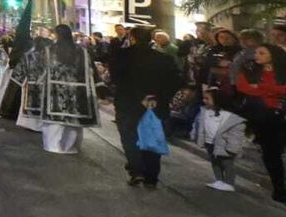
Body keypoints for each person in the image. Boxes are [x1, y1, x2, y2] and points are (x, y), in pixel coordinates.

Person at [108, 25, 183, 189]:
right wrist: (157, 96)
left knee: (130, 137)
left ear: (132, 38)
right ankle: (151, 175)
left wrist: (138, 97)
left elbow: (117, 79)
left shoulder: (122, 56)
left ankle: (137, 171)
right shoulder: (163, 59)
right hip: (155, 103)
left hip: (129, 103)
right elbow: (176, 80)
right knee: (152, 135)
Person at [233, 43, 286, 204]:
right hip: (263, 116)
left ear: (273, 55)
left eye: (262, 53)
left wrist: (262, 88)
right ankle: (279, 189)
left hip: (282, 113)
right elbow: (243, 87)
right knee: (271, 153)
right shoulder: (249, 70)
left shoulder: (282, 70)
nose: (257, 55)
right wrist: (272, 90)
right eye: (256, 52)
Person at [37, 25, 98, 154]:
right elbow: (89, 70)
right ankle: (69, 146)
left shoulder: (49, 50)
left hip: (55, 89)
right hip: (76, 90)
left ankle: (52, 145)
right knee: (72, 121)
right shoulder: (81, 51)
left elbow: (41, 68)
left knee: (54, 121)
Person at [195, 86, 246, 192]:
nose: (204, 101)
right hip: (210, 142)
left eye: (207, 98)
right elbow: (199, 125)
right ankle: (219, 180)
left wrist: (232, 146)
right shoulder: (205, 112)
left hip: (223, 144)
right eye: (204, 98)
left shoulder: (227, 116)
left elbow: (235, 132)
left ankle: (229, 183)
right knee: (214, 162)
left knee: (227, 163)